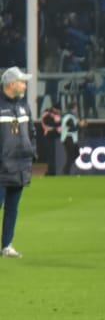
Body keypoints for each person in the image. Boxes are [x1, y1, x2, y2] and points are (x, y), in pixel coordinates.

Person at [1, 67, 35, 259]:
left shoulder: (24, 105)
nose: (25, 84)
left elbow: (32, 131)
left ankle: (7, 246)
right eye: (22, 81)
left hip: (20, 166)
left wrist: (32, 152)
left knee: (12, 209)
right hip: (1, 167)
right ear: (11, 84)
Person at [59, 106, 80, 175]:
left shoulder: (69, 117)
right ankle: (66, 171)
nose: (76, 110)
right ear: (72, 109)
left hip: (71, 139)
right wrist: (79, 125)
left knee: (75, 154)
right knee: (70, 155)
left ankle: (66, 170)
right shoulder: (69, 118)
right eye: (75, 108)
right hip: (68, 138)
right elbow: (72, 128)